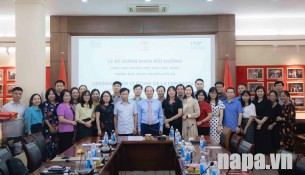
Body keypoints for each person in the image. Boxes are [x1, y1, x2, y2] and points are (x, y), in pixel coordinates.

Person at [253, 86, 273, 154]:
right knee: (257, 142)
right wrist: (257, 121)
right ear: (256, 92)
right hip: (255, 123)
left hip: (265, 124)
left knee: (265, 143)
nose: (259, 93)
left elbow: (268, 114)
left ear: (264, 92)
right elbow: (252, 113)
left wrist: (261, 123)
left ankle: (265, 161)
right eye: (258, 91)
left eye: (261, 91)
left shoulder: (267, 102)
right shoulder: (254, 102)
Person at [57, 89, 77, 154]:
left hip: (71, 131)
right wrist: (72, 122)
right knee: (65, 150)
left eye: (69, 95)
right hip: (64, 132)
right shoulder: (61, 106)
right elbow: (61, 119)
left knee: (70, 149)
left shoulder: (70, 105)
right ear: (62, 97)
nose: (68, 97)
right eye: (65, 96)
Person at [42, 88, 59, 159]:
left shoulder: (59, 104)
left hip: (58, 128)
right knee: (49, 146)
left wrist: (58, 126)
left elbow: (61, 116)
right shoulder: (45, 104)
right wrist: (50, 127)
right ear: (47, 95)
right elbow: (45, 117)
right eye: (49, 94)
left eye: (53, 94)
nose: (51, 95)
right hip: (48, 128)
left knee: (57, 145)